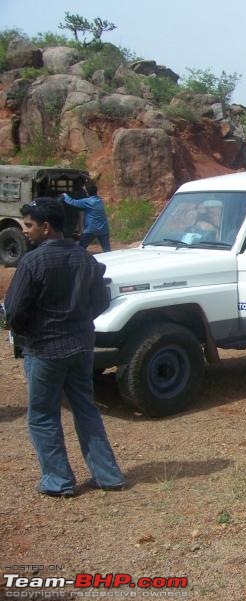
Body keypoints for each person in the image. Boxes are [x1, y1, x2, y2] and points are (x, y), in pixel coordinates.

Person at [3, 198, 125, 497]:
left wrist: (26, 332)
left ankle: (58, 482)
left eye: (29, 225)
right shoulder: (86, 258)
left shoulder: (32, 262)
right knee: (86, 409)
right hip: (81, 346)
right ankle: (107, 476)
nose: (26, 231)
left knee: (43, 416)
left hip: (44, 350)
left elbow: (15, 312)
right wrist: (79, 321)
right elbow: (100, 301)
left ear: (46, 227)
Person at [62, 183, 111, 252]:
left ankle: (79, 260)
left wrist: (65, 195)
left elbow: (72, 202)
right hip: (104, 228)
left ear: (87, 192)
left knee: (81, 248)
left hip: (91, 229)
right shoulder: (100, 200)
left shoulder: (87, 201)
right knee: (107, 250)